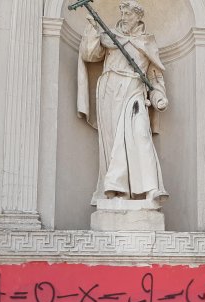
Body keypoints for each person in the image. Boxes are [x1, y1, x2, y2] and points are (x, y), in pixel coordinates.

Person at [77, 0, 169, 206]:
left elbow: (154, 77)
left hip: (135, 90)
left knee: (140, 134)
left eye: (128, 14)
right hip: (110, 89)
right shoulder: (110, 36)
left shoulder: (147, 42)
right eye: (123, 13)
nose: (124, 17)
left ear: (138, 17)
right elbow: (90, 55)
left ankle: (151, 188)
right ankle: (118, 190)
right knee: (112, 140)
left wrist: (158, 96)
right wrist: (92, 30)